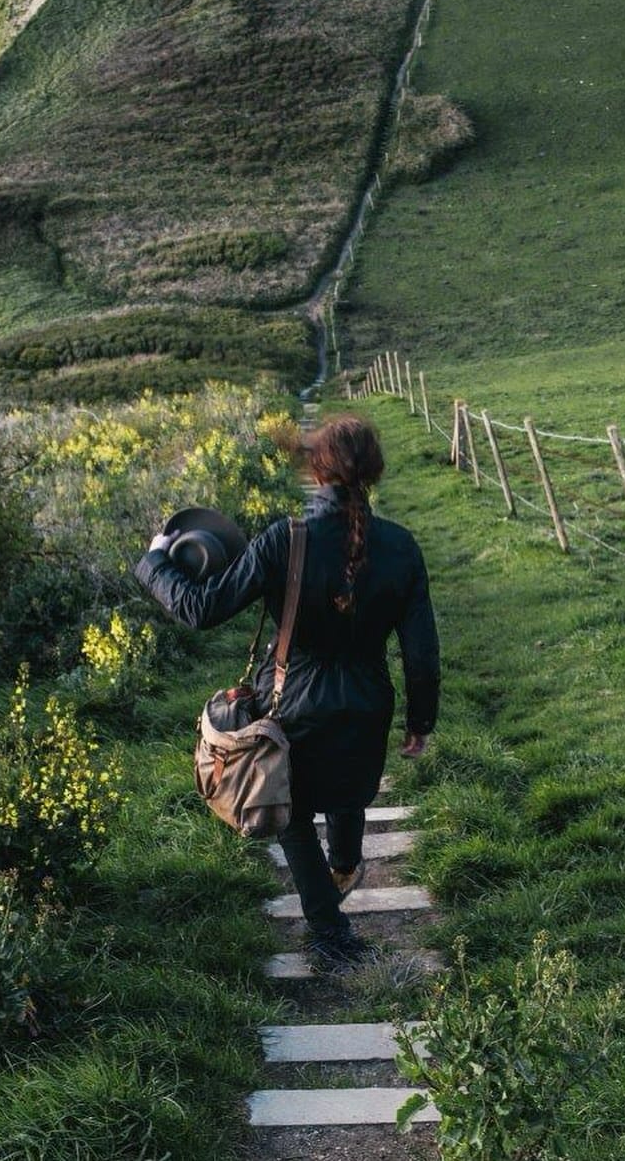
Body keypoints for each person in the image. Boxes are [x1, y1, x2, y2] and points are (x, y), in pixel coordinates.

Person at [134, 414, 440, 969]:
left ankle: (330, 931)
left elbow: (202, 609)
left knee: (292, 814)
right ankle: (345, 865)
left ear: (318, 469)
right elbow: (422, 649)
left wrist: (156, 561)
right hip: (369, 703)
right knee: (349, 795)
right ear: (373, 471)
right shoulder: (402, 546)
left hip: (292, 702)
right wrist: (421, 720)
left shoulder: (284, 538)